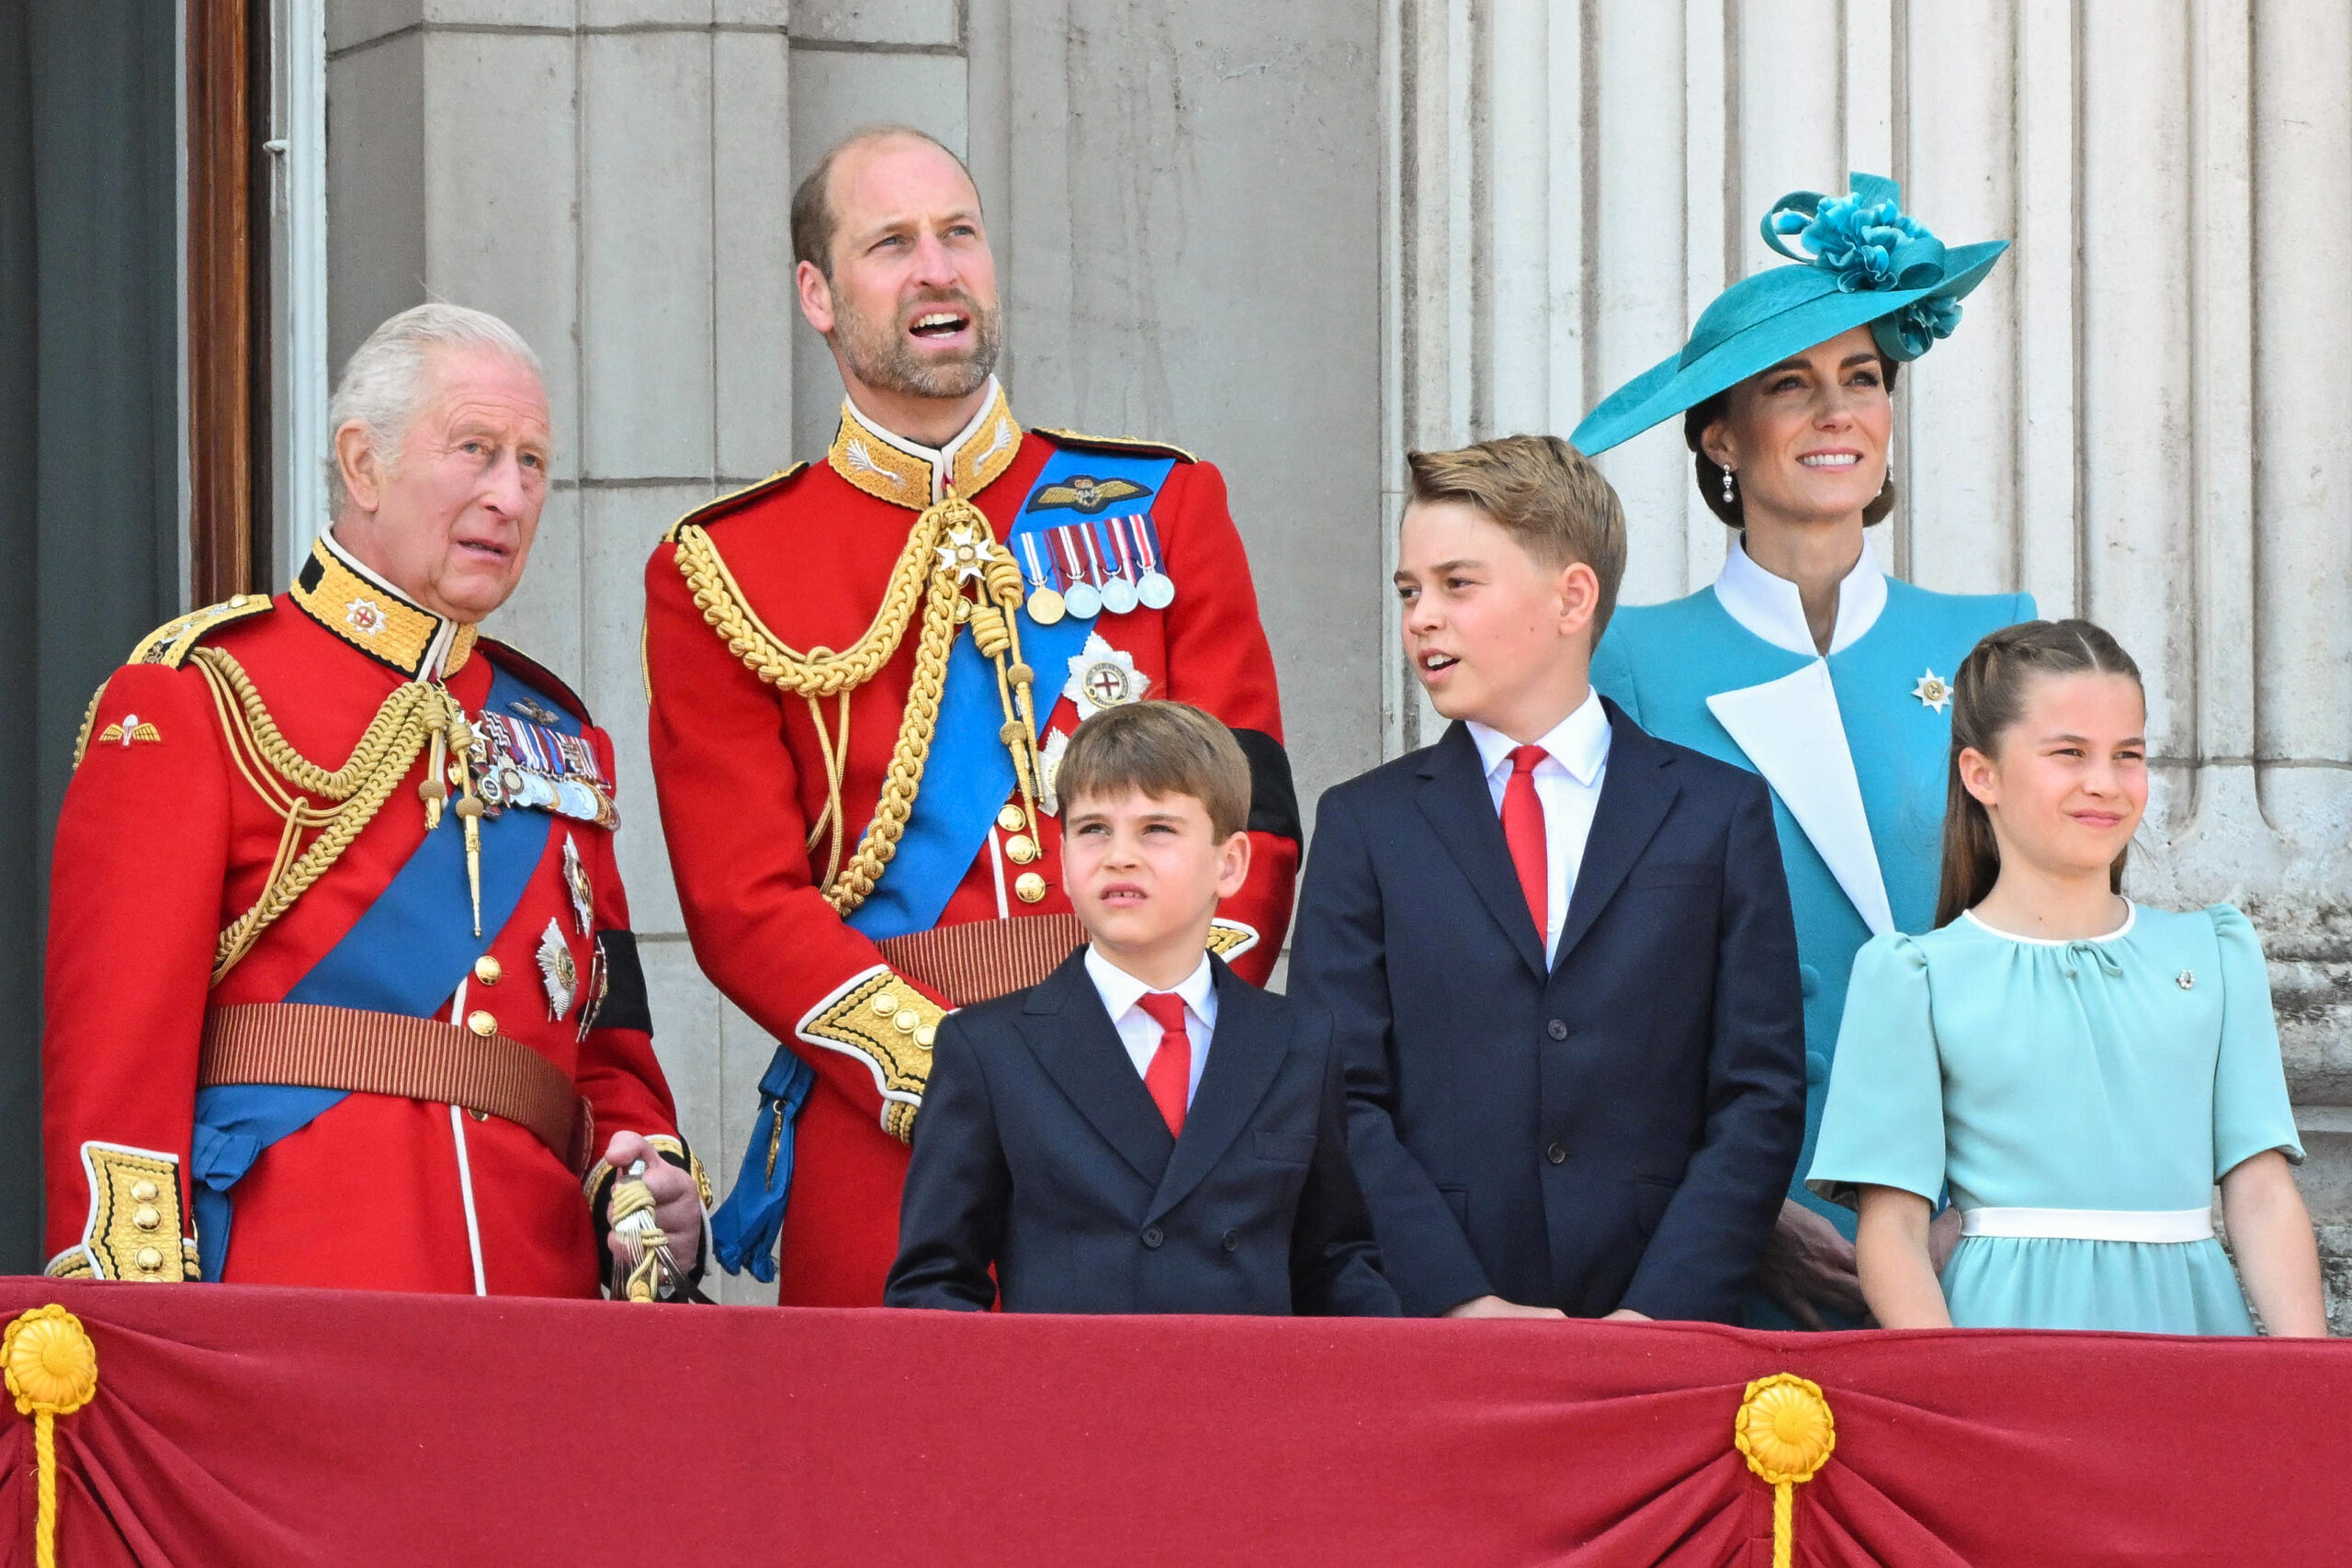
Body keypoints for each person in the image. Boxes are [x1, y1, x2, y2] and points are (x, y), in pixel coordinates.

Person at [644, 125, 1300, 1306]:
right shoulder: (723, 567)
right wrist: (954, 1075)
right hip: (892, 1136)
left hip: (1157, 1113)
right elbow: (741, 904)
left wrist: (1157, 1030)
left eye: (959, 234)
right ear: (818, 294)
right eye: (890, 244)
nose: (937, 269)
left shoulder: (1165, 504)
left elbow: (1254, 814)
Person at [41, 304, 709, 1297]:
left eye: (532, 464)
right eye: (475, 450)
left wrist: (650, 1181)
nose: (509, 494)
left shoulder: (561, 741)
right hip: (295, 1302)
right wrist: (140, 1333)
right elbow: (117, 1067)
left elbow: (605, 1056)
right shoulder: (203, 696)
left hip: (537, 1313)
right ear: (362, 465)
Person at [1576, 172, 2031, 1327]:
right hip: (1720, 1232)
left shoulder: (1991, 638)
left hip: (1972, 1226)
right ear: (1721, 434)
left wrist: (1970, 1205)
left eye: (1863, 379)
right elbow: (1605, 981)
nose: (1839, 412)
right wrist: (1744, 1212)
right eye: (1792, 384)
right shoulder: (1628, 658)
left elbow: (2043, 945)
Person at [1289, 434, 1804, 1323]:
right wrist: (1459, 1302)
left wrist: (1659, 1313)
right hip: (1431, 1328)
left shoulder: (1718, 814)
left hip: (1659, 1325)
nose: (1420, 616)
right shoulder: (1364, 825)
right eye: (1410, 590)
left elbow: (1757, 1091)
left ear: (1572, 597)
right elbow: (1340, 1095)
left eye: (1458, 583)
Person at [1807, 620, 2325, 1336]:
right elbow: (1892, 1228)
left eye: (2128, 754)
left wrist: (2310, 1387)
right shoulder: (1917, 977)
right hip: (2002, 1349)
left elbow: (2262, 1193)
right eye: (2069, 753)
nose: (2104, 784)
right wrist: (1951, 1390)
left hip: (2195, 1343)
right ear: (1980, 773)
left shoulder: (2215, 952)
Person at [886, 702, 1396, 1316]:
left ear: (1228, 863)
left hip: (1251, 1404)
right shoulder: (989, 1048)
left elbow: (1332, 1261)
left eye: (1157, 828)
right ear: (1066, 861)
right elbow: (936, 1283)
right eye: (1093, 828)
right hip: (1066, 1405)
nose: (1119, 855)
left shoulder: (1300, 1041)